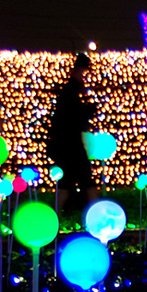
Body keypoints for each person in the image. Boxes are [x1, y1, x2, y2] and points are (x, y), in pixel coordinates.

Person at [49, 52, 99, 217]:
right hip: (71, 145)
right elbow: (72, 116)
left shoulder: (69, 92)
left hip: (67, 145)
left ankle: (55, 218)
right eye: (84, 73)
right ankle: (96, 216)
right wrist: (89, 109)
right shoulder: (70, 93)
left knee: (68, 184)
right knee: (85, 182)